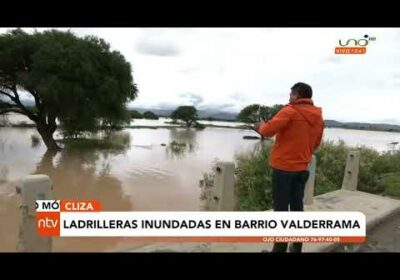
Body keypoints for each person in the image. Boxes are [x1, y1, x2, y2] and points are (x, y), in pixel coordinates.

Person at [256, 82, 324, 253]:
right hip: (302, 169)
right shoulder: (317, 116)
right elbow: (316, 143)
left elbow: (267, 131)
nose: (289, 97)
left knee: (280, 209)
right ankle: (296, 247)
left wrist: (261, 126)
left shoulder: (290, 111)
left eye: (291, 94)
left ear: (297, 95)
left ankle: (279, 249)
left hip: (283, 169)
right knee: (297, 208)